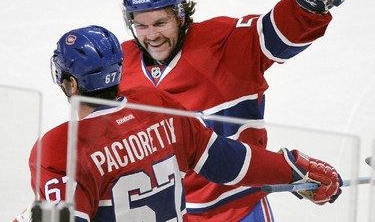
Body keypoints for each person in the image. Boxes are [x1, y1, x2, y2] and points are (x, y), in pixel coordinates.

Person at [14, 26, 342, 222]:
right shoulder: (157, 107)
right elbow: (226, 160)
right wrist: (293, 169)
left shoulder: (59, 148)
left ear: (70, 84)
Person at [119, 0, 346, 221]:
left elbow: (274, 34)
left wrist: (305, 6)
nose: (152, 36)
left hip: (237, 211)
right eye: (141, 26)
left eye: (160, 22)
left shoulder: (224, 43)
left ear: (181, 15)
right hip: (164, 213)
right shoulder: (120, 65)